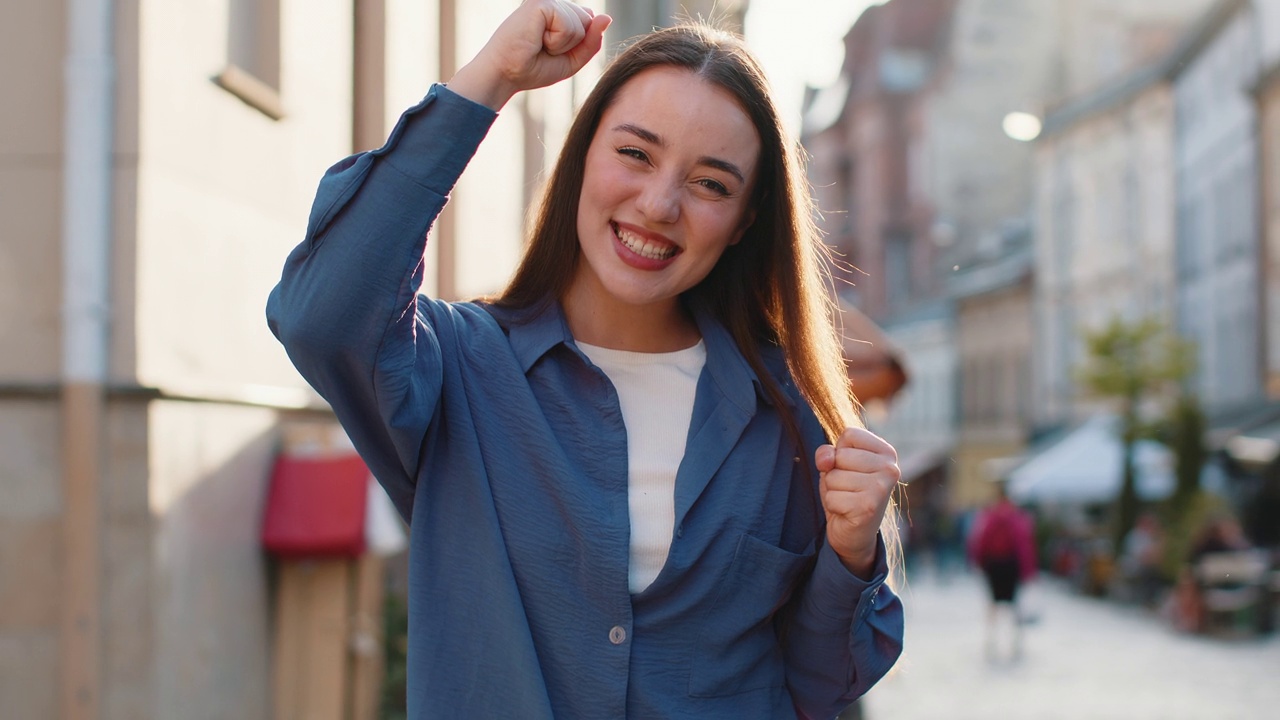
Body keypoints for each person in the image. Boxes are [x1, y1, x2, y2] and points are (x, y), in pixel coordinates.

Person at [267, 2, 903, 717]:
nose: (659, 203)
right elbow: (321, 315)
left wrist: (850, 553)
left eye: (710, 184)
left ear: (743, 223)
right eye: (635, 153)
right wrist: (491, 79)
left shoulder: (787, 415)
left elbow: (819, 684)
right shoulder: (457, 370)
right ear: (582, 155)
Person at [967, 482, 1036, 660]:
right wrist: (1028, 570)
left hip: (994, 565)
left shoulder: (990, 515)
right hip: (1012, 565)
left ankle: (991, 637)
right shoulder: (1017, 517)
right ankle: (1016, 638)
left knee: (993, 603)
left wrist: (979, 563)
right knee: (1014, 603)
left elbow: (981, 540)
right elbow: (1024, 544)